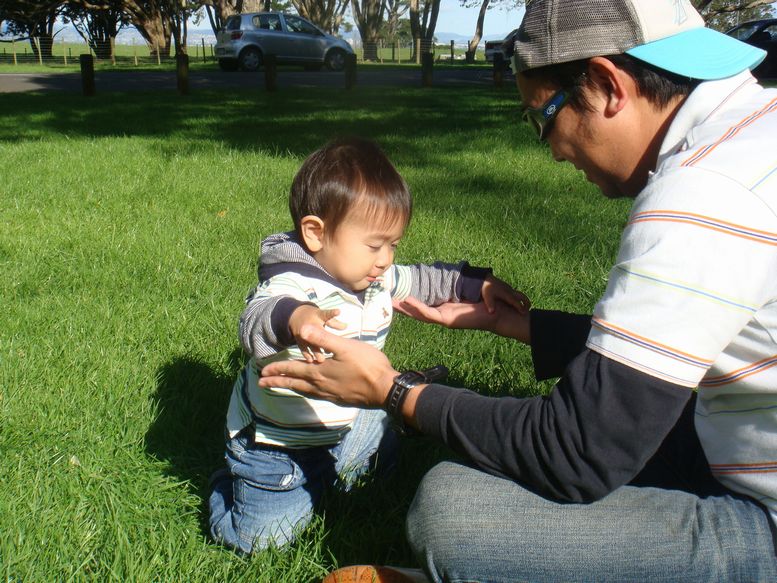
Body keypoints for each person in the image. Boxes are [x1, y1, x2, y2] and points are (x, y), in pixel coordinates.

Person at [259, 1, 777, 581]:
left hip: (765, 523)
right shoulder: (755, 131)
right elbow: (670, 360)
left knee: (454, 512)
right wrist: (526, 327)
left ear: (608, 85)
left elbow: (579, 451)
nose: (552, 150)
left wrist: (394, 390)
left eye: (543, 119)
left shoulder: (702, 197)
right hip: (729, 438)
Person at [208, 137, 529, 553]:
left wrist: (475, 283)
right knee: (261, 542)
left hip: (348, 427)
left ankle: (345, 469)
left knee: (379, 462)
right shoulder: (290, 284)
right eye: (375, 245)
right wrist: (296, 318)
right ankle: (228, 482)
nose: (385, 259)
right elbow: (255, 319)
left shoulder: (375, 277)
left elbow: (426, 279)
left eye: (393, 245)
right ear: (316, 233)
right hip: (277, 448)